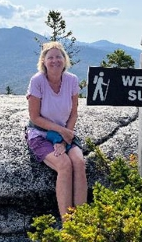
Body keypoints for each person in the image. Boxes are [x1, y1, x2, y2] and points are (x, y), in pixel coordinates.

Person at [25, 41, 87, 221]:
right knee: (64, 164)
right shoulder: (37, 81)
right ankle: (68, 222)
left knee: (79, 162)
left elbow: (74, 113)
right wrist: (61, 133)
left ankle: (82, 220)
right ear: (43, 61)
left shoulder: (72, 80)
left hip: (65, 133)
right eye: (50, 57)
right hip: (41, 134)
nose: (55, 61)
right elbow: (35, 117)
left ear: (64, 60)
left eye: (58, 57)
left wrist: (64, 138)